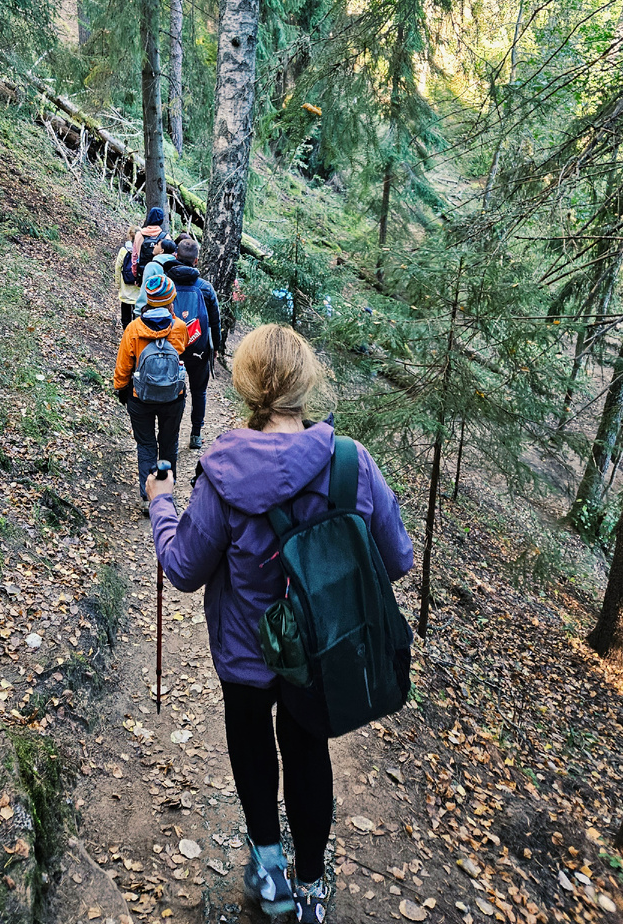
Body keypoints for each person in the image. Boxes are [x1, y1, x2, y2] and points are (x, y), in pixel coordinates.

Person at [146, 325, 413, 921]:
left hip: (245, 652)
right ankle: (313, 890)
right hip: (319, 654)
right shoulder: (351, 463)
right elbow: (397, 559)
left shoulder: (222, 471)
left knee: (250, 742)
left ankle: (269, 873)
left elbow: (185, 568)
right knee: (307, 751)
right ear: (305, 381)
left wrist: (161, 503)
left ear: (244, 385)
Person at [114, 273, 188, 511]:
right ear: (170, 300)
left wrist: (120, 389)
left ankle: (148, 500)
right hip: (173, 397)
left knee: (146, 446)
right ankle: (166, 497)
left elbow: (124, 365)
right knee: (169, 443)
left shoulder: (134, 328)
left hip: (140, 397)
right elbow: (182, 349)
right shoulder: (178, 327)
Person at [166, 236, 221, 450]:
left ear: (176, 256)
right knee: (199, 392)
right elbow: (215, 322)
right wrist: (215, 347)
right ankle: (196, 435)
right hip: (199, 347)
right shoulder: (205, 288)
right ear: (196, 261)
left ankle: (172, 436)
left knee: (173, 390)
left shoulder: (166, 283)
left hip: (172, 345)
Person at [134, 237, 178, 313]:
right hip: (169, 308)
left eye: (157, 245)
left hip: (151, 309)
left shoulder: (152, 266)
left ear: (162, 251)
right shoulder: (176, 265)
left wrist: (139, 309)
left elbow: (145, 290)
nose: (154, 246)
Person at [130, 206, 168, 280]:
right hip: (159, 277)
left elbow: (134, 257)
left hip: (143, 274)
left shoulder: (139, 235)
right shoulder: (165, 237)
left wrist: (135, 274)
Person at [114, 226, 140, 327]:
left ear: (129, 236)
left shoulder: (123, 250)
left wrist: (118, 284)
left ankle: (126, 336)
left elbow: (118, 268)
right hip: (137, 290)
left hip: (125, 289)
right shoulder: (142, 250)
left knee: (126, 317)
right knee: (137, 318)